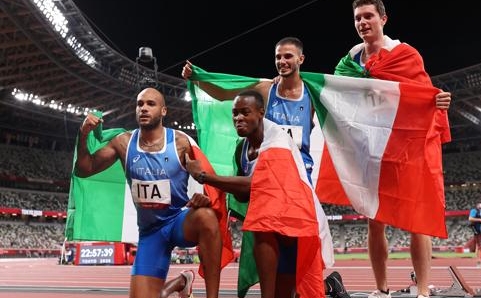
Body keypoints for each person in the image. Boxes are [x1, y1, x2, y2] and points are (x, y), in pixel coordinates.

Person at [182, 37, 349, 298]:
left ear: (301, 60)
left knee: (289, 251)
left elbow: (347, 105)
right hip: (264, 177)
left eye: (288, 56)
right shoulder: (265, 89)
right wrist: (199, 80)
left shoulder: (311, 94)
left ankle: (323, 287)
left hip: (297, 179)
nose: (282, 61)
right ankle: (310, 288)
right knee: (267, 236)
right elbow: (227, 94)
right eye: (278, 57)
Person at [333, 1, 452, 298]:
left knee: (417, 220)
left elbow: (424, 92)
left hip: (406, 148)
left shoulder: (404, 54)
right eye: (358, 18)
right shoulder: (350, 62)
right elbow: (333, 95)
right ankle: (381, 289)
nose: (362, 22)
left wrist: (436, 101)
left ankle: (422, 292)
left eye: (368, 16)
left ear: (383, 18)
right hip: (371, 150)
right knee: (374, 220)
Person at [74, 87, 223, 298]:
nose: (143, 108)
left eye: (150, 104)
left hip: (179, 221)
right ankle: (182, 281)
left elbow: (206, 180)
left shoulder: (180, 142)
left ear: (163, 111)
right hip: (151, 233)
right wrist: (83, 134)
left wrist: (203, 195)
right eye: (140, 104)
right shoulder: (123, 143)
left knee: (207, 217)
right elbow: (85, 168)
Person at [184, 89, 328, 298]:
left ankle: (326, 286)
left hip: (297, 226)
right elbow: (243, 195)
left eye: (245, 112)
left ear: (261, 113)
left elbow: (256, 185)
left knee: (265, 223)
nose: (238, 118)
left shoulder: (277, 140)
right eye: (235, 113)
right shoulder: (241, 148)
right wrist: (209, 195)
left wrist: (204, 177)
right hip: (271, 230)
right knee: (264, 221)